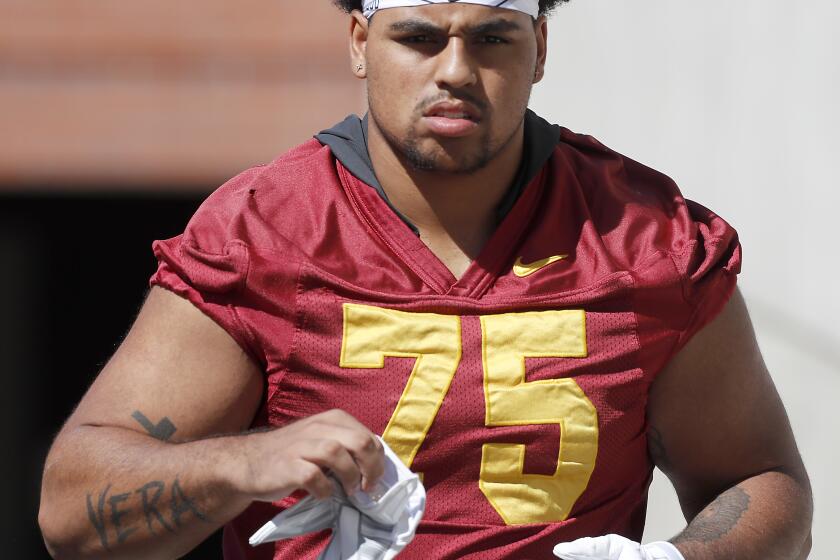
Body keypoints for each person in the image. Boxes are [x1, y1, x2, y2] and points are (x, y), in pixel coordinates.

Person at [38, 1, 813, 558]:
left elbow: (762, 480)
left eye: (492, 38)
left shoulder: (644, 235)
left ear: (539, 48)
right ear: (358, 41)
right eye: (418, 36)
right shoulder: (265, 231)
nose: (455, 71)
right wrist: (240, 462)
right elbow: (70, 513)